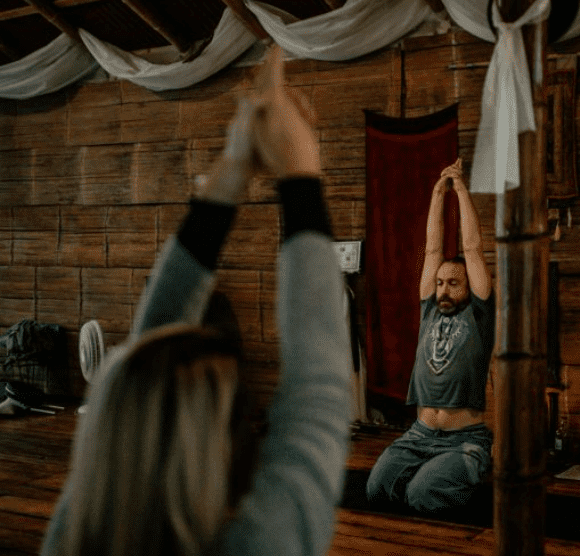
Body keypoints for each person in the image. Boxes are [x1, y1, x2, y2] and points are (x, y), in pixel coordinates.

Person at [40, 48, 353, 556]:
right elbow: (319, 390)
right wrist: (297, 168)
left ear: (105, 433)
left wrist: (237, 173)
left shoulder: (76, 531)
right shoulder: (261, 545)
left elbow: (152, 342)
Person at [366, 158, 496, 514]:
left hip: (463, 438)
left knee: (422, 497)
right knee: (377, 491)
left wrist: (461, 189)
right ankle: (434, 471)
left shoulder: (479, 314)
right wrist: (438, 193)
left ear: (470, 288)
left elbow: (472, 248)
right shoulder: (429, 310)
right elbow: (433, 249)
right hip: (419, 434)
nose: (443, 290)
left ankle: (473, 465)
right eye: (440, 283)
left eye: (453, 283)